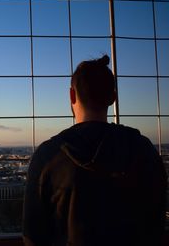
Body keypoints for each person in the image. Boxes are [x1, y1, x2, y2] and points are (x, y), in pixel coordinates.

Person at [23, 55, 167, 246]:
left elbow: (33, 235)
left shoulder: (47, 156)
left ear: (72, 95)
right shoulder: (143, 149)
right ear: (113, 98)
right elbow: (156, 223)